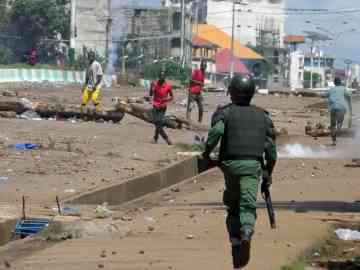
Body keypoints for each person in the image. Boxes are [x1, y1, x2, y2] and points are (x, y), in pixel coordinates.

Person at [202, 74, 277, 269]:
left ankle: (235, 240)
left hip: (230, 166)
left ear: (232, 92)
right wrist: (268, 172)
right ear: (252, 92)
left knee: (233, 205)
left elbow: (216, 133)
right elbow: (271, 151)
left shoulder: (224, 113)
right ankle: (246, 232)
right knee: (248, 205)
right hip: (253, 167)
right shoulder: (263, 116)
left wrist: (206, 153)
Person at [322, 77, 352, 146]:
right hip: (342, 108)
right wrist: (349, 104)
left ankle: (334, 140)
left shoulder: (331, 89)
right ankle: (337, 130)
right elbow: (349, 96)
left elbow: (324, 95)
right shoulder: (343, 89)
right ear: (340, 82)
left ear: (334, 83)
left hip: (333, 108)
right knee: (339, 123)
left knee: (332, 125)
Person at [149, 70, 174, 145]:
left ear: (165, 77)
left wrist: (166, 99)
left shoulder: (168, 86)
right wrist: (151, 87)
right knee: (157, 122)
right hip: (155, 106)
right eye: (160, 76)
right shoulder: (155, 84)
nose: (161, 77)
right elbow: (150, 94)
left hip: (163, 107)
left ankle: (159, 138)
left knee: (158, 122)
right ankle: (161, 138)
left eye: (163, 76)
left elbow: (172, 97)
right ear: (158, 76)